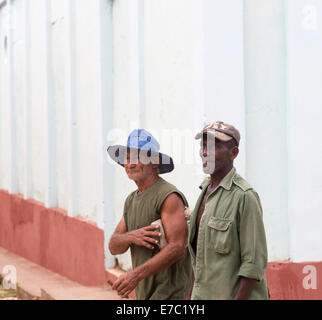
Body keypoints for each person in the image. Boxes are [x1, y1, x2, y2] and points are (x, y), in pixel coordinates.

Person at [107, 129, 192, 300]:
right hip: (145, 294)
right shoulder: (131, 201)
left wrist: (134, 275)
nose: (130, 164)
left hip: (171, 293)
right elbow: (114, 246)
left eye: (138, 157)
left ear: (155, 162)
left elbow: (177, 247)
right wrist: (132, 236)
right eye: (127, 158)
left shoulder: (168, 196)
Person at [188, 121, 269, 300]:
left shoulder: (244, 196)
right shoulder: (204, 192)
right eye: (203, 146)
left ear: (234, 153)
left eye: (214, 147)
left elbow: (253, 264)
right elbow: (198, 262)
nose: (204, 153)